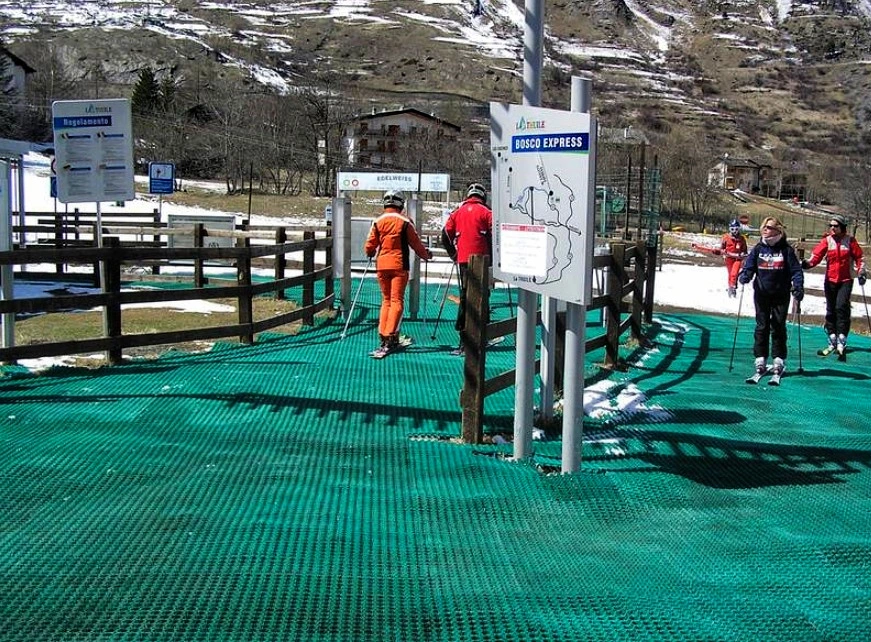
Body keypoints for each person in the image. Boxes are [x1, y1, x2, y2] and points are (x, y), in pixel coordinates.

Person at [364, 190, 432, 358]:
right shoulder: (405, 221)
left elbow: (369, 246)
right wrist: (426, 255)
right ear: (401, 204)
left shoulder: (377, 221)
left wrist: (371, 252)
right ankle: (391, 336)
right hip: (399, 265)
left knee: (386, 300)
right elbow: (415, 243)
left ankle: (383, 334)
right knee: (396, 300)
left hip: (382, 265)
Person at [738, 216, 804, 378]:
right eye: (764, 227)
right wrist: (745, 275)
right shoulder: (759, 248)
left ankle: (778, 358)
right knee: (762, 325)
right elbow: (749, 266)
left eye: (769, 227)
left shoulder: (786, 250)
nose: (765, 230)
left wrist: (798, 286)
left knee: (778, 326)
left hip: (780, 294)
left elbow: (796, 271)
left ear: (778, 231)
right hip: (761, 293)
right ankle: (760, 357)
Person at [801, 214, 866, 360]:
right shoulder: (827, 241)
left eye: (835, 226)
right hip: (830, 279)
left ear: (842, 227)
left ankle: (842, 338)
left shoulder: (850, 241)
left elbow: (859, 258)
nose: (832, 228)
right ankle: (831, 338)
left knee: (841, 307)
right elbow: (816, 256)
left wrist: (861, 270)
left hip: (846, 279)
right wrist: (807, 264)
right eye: (830, 226)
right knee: (831, 309)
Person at [440, 182, 493, 355]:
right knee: (482, 296)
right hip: (482, 261)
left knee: (466, 296)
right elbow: (496, 235)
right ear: (482, 196)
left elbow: (445, 234)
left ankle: (463, 339)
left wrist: (453, 254)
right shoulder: (487, 212)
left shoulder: (457, 213)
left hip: (463, 261)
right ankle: (482, 335)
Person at [719, 219, 748, 298]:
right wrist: (724, 253)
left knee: (734, 273)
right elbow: (722, 248)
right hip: (729, 258)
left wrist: (743, 255)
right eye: (732, 229)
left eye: (736, 229)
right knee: (731, 273)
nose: (734, 231)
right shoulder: (726, 237)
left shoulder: (741, 239)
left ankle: (733, 287)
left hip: (738, 259)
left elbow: (745, 250)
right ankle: (730, 287)